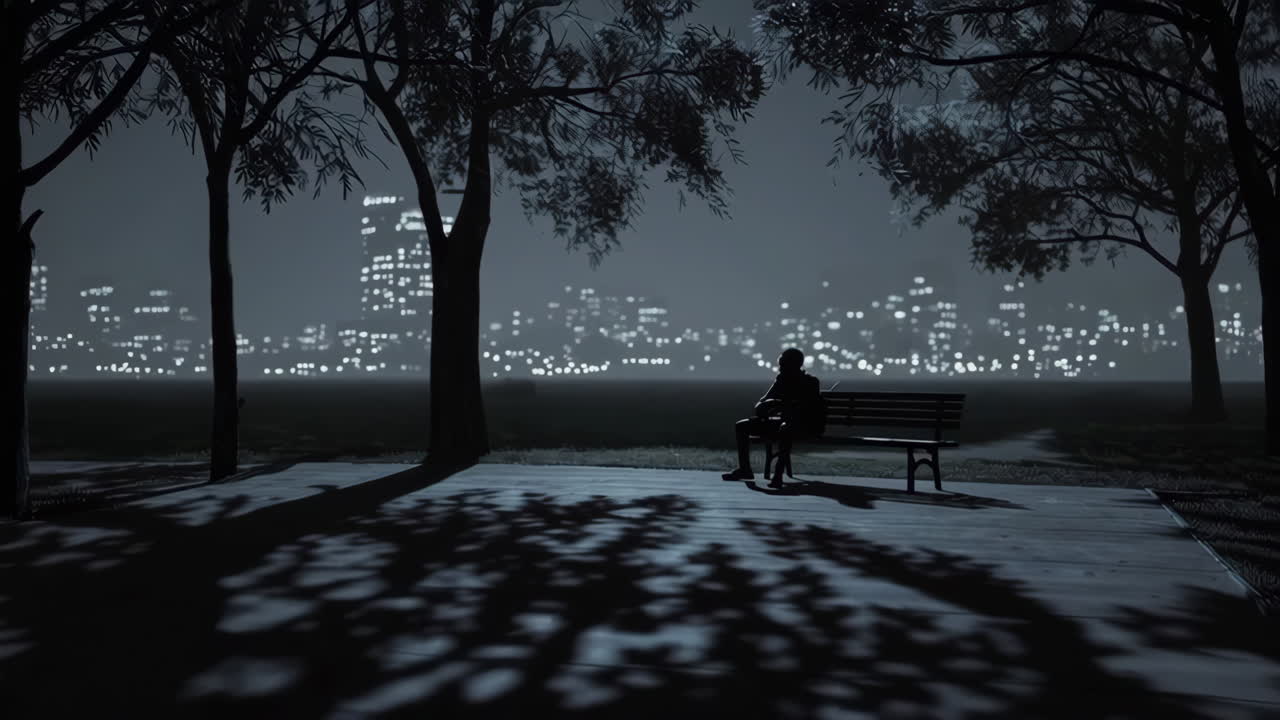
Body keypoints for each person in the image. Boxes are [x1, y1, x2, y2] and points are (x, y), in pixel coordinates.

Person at [722, 348, 825, 487]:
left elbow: (805, 409)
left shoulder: (811, 382)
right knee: (742, 426)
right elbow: (762, 403)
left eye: (783, 365)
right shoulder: (781, 380)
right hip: (784, 423)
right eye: (780, 365)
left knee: (786, 428)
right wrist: (768, 404)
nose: (780, 368)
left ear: (795, 365)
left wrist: (779, 405)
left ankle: (778, 475)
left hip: (804, 425)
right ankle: (745, 469)